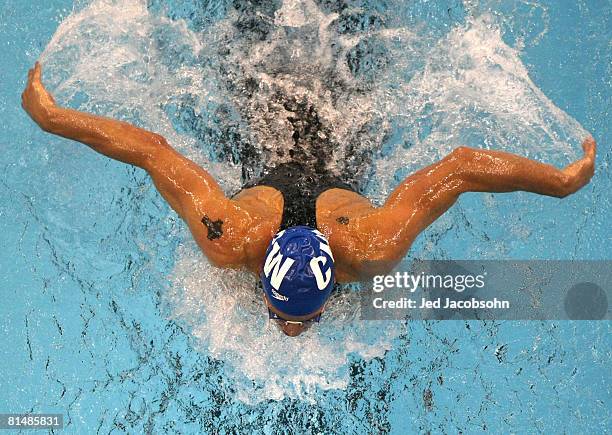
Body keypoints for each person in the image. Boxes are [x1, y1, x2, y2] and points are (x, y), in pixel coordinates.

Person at [22, 62, 596, 336]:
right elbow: (150, 150)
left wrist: (562, 180)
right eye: (285, 313)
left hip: (313, 157)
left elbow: (465, 167)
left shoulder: (372, 248)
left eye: (293, 314)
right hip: (302, 158)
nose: (292, 330)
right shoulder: (230, 238)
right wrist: (52, 118)